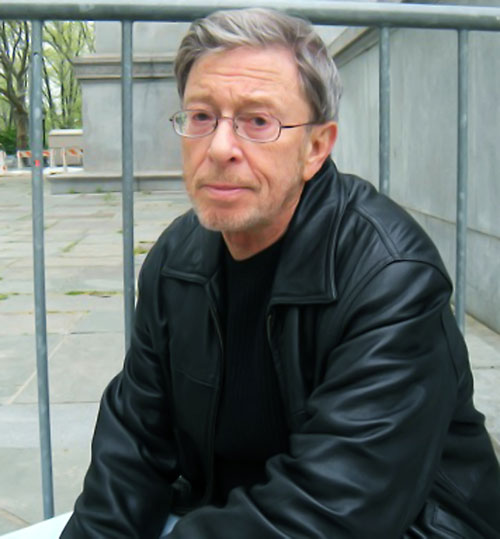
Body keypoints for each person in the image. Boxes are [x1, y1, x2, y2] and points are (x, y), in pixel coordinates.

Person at [61, 8, 500, 538]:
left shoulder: (390, 278)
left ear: (316, 147)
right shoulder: (174, 262)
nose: (220, 148)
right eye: (201, 116)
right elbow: (133, 447)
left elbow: (334, 509)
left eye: (258, 122)